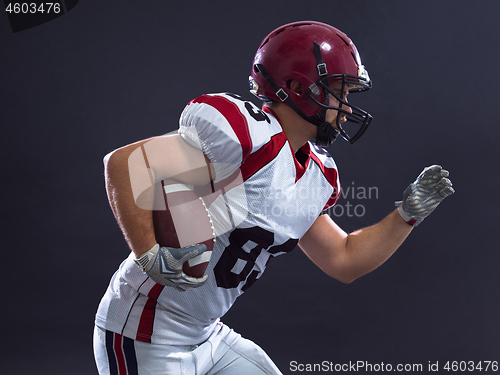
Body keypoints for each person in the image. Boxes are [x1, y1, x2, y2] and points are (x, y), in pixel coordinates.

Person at [93, 21, 454, 374]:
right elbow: (126, 164)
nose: (346, 107)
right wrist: (149, 254)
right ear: (297, 86)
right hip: (143, 332)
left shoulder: (316, 173)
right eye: (339, 91)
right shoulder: (247, 137)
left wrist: (407, 214)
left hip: (205, 335)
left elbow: (344, 260)